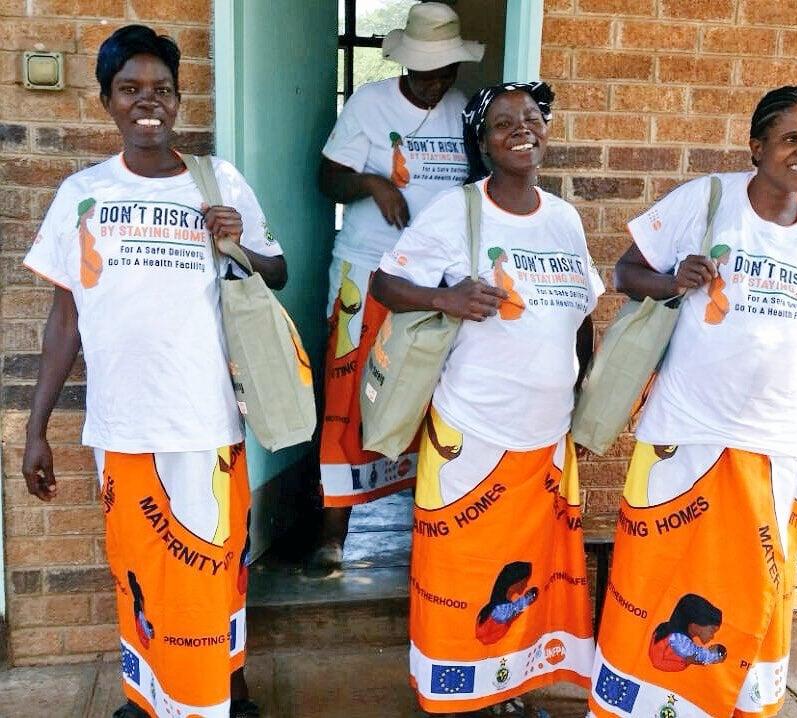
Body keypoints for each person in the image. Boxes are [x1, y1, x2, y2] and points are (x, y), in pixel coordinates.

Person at [588, 86, 797, 718]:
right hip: (682, 433)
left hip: (771, 449)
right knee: (654, 578)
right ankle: (630, 704)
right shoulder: (708, 200)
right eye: (792, 138)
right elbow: (623, 273)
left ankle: (737, 705)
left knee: (753, 590)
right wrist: (673, 280)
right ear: (757, 146)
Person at [20, 25, 287, 718]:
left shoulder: (216, 179)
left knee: (208, 562)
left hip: (205, 419)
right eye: (130, 90)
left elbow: (277, 271)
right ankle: (153, 693)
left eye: (161, 90)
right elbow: (64, 319)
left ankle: (218, 688)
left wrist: (235, 238)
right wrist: (36, 428)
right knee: (140, 569)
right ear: (106, 100)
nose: (148, 103)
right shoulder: (84, 193)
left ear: (178, 98)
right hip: (124, 423)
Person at [372, 81, 603, 717]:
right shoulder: (458, 211)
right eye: (504, 123)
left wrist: (584, 387)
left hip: (546, 440)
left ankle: (511, 684)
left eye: (531, 118)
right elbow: (385, 282)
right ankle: (457, 691)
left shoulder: (563, 219)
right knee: (463, 569)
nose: (521, 129)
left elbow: (581, 314)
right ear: (483, 142)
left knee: (527, 575)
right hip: (472, 432)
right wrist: (446, 298)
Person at [316, 2, 485, 568]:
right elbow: (325, 178)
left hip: (436, 281)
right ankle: (333, 535)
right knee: (350, 397)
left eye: (443, 73)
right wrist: (371, 182)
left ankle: (432, 522)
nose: (433, 83)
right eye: (423, 72)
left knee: (433, 394)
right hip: (365, 272)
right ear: (405, 65)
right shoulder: (368, 104)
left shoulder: (464, 112)